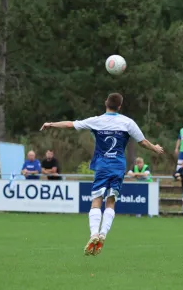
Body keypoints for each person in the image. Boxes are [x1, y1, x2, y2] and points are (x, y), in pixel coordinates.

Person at [40, 93, 164, 255]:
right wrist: (155, 148)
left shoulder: (96, 120)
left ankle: (94, 234)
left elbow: (71, 124)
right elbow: (142, 142)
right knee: (111, 202)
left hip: (102, 166)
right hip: (118, 166)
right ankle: (103, 234)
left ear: (106, 103)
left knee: (96, 201)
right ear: (120, 106)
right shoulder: (127, 122)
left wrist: (52, 124)